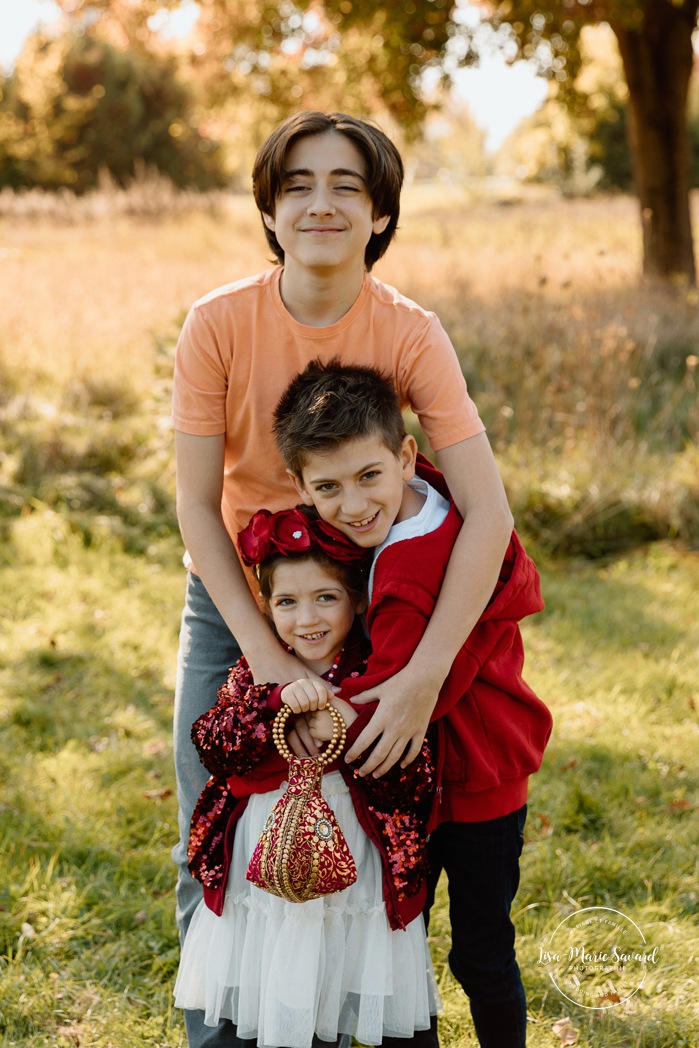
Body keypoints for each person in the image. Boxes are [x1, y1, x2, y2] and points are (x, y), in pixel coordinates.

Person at [171, 109, 513, 1048]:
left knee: (360, 843)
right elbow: (198, 507)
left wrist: (422, 677)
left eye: (346, 186)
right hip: (238, 601)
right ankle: (222, 1033)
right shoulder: (216, 324)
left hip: (370, 605)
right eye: (298, 186)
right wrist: (266, 659)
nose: (320, 204)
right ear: (270, 211)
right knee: (218, 823)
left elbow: (490, 514)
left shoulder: (409, 332)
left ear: (379, 213)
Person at [272, 359, 554, 1048]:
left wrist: (295, 713)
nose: (353, 504)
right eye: (328, 488)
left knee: (445, 953)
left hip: (467, 778)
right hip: (481, 768)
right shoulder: (438, 494)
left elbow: (385, 706)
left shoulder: (404, 572)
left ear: (403, 455)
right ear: (302, 486)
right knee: (464, 948)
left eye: (368, 477)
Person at [173, 506, 440, 1048]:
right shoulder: (259, 671)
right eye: (287, 602)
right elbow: (214, 745)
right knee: (271, 982)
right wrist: (275, 710)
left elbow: (414, 779)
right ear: (266, 608)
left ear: (357, 600)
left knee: (333, 981)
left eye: (326, 597)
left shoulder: (375, 674)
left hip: (354, 869)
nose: (307, 618)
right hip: (264, 867)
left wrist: (348, 727)